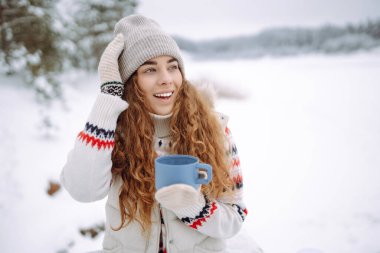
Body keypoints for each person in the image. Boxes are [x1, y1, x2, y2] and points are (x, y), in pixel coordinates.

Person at [61, 14, 247, 253]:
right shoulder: (113, 133)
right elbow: (82, 190)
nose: (166, 79)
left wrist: (194, 209)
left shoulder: (215, 130)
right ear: (130, 82)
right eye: (150, 70)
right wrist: (108, 98)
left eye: (173, 67)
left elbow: (235, 217)